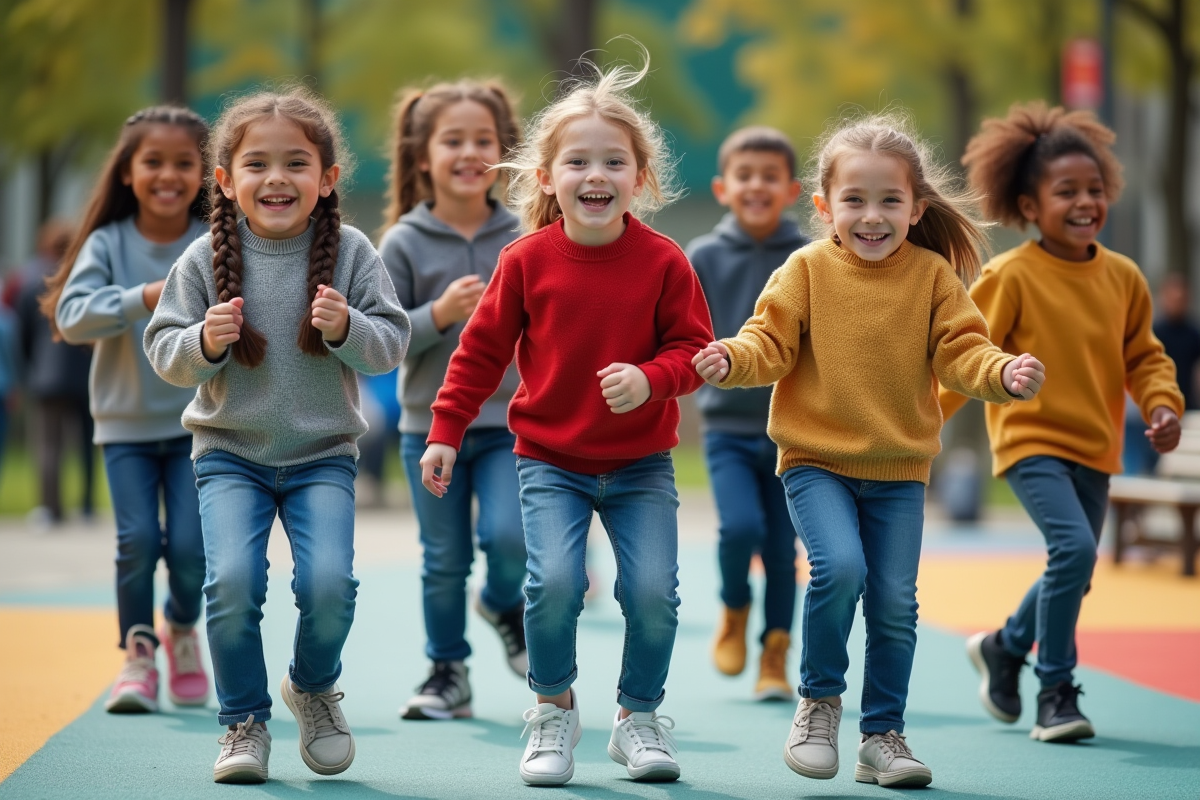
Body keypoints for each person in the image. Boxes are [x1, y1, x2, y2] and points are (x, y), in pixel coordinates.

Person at [693, 111, 1045, 788]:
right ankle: (819, 703)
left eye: (890, 200)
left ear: (916, 208)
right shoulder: (805, 269)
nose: (872, 215)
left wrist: (1001, 371)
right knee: (840, 570)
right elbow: (767, 343)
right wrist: (731, 359)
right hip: (815, 461)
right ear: (825, 206)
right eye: (854, 200)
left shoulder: (933, 277)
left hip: (899, 472)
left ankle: (883, 734)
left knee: (893, 602)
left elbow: (961, 351)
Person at [419, 46, 712, 786]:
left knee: (652, 593)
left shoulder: (665, 261)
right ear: (547, 178)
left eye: (614, 162)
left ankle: (636, 718)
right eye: (577, 163)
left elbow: (695, 350)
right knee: (550, 584)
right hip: (548, 461)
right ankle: (553, 710)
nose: (596, 176)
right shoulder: (525, 260)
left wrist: (650, 380)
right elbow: (480, 354)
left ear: (638, 180)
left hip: (641, 464)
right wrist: (447, 431)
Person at [144, 87, 410, 784]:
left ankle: (313, 687)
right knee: (231, 583)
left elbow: (390, 345)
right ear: (227, 182)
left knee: (329, 585)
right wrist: (202, 341)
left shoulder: (352, 252)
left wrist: (349, 328)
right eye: (257, 165)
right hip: (229, 454)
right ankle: (245, 720)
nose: (277, 179)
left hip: (323, 455)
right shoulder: (201, 261)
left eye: (296, 163)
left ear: (326, 180)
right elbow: (164, 350)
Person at [949, 101, 1183, 743]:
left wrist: (1163, 404)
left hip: (1097, 447)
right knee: (1075, 551)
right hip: (1032, 442)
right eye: (1066, 192)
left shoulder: (1125, 278)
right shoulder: (1011, 276)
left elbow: (1146, 357)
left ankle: (1004, 645)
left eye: (1095, 189)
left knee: (1071, 573)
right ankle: (1056, 690)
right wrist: (918, 427)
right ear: (1028, 207)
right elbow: (965, 353)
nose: (1086, 202)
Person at [46, 107, 212, 714]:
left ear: (205, 173)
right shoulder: (107, 243)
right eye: (153, 161)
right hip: (125, 424)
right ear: (126, 171)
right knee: (139, 539)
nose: (168, 175)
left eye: (183, 163)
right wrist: (146, 296)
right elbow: (71, 315)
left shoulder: (213, 239)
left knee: (194, 549)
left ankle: (183, 630)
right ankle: (139, 654)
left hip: (203, 426)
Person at [377, 79, 528, 721]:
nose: (470, 153)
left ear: (506, 152)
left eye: (483, 141)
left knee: (510, 538)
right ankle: (448, 670)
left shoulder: (528, 234)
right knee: (444, 558)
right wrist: (438, 314)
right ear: (422, 158)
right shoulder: (402, 243)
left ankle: (501, 602)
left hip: (511, 423)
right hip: (430, 429)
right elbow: (381, 342)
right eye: (453, 141)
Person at [685, 126, 806, 700]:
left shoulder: (810, 258)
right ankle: (734, 608)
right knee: (740, 528)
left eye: (770, 177)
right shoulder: (703, 255)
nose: (757, 185)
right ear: (722, 187)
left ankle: (775, 652)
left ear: (793, 190)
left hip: (796, 430)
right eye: (745, 175)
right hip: (728, 427)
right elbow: (681, 331)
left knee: (784, 550)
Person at [14, 220, 95, 527]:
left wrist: (30, 368)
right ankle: (87, 506)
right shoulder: (85, 277)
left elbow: (21, 332)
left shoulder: (31, 279)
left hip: (46, 377)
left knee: (48, 445)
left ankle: (50, 508)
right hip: (86, 373)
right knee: (87, 442)